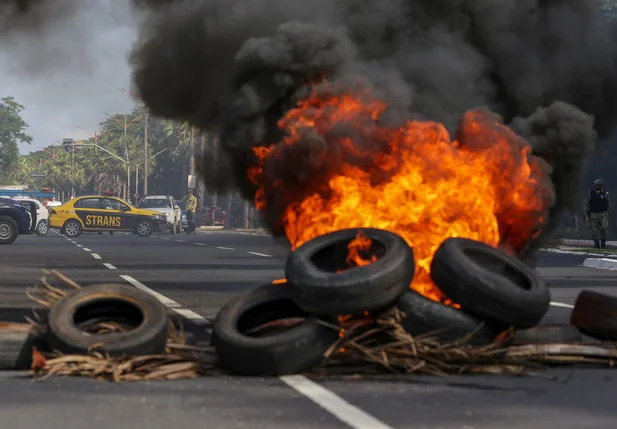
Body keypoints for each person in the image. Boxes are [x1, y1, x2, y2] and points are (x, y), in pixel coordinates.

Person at [584, 179, 611, 249]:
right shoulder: (590, 193)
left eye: (598, 185)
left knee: (603, 228)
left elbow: (608, 204)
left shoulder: (606, 193)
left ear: (601, 186)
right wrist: (586, 211)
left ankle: (603, 244)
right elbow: (586, 203)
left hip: (603, 213)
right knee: (594, 230)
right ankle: (596, 244)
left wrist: (608, 213)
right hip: (593, 214)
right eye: (596, 185)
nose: (597, 186)